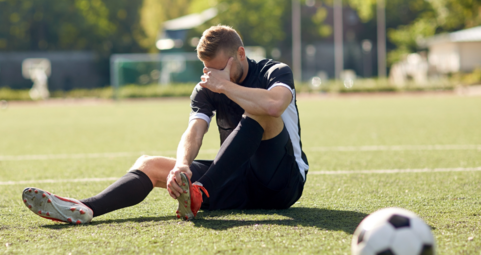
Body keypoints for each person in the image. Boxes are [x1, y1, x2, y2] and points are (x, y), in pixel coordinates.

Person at [22, 25, 309, 224]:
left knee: (260, 112)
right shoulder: (207, 86)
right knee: (150, 163)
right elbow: (194, 131)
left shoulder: (274, 71)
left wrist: (224, 86)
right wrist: (182, 165)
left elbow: (274, 105)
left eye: (219, 69)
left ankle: (200, 191)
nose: (212, 76)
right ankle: (85, 208)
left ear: (241, 54)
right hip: (236, 181)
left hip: (281, 183)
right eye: (207, 70)